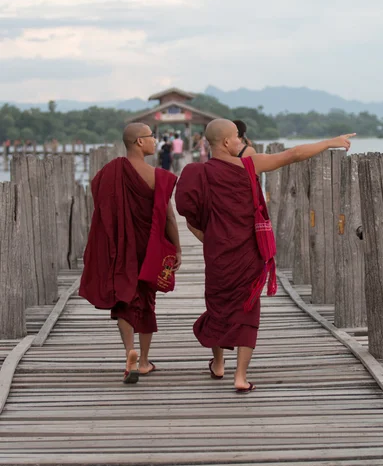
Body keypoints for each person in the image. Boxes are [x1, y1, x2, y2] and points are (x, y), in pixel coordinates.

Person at [176, 119, 355, 394]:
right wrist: (330, 142)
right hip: (249, 251)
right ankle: (240, 376)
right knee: (247, 308)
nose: (241, 142)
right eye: (237, 137)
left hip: (217, 253)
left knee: (218, 305)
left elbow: (189, 213)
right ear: (226, 142)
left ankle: (218, 365)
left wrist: (209, 239)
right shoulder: (249, 165)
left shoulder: (198, 172)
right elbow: (293, 155)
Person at [79, 123, 181, 384]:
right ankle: (145, 361)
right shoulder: (158, 176)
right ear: (138, 141)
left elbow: (103, 206)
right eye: (151, 137)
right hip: (150, 247)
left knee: (124, 299)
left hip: (121, 246)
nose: (154, 141)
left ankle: (129, 352)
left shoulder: (110, 173)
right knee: (146, 300)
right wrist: (177, 248)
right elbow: (169, 217)